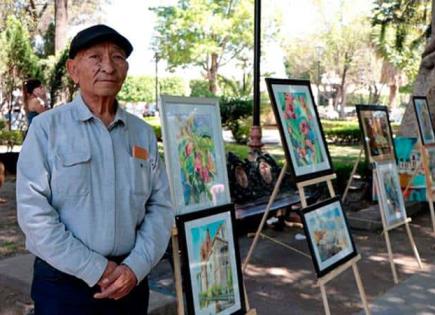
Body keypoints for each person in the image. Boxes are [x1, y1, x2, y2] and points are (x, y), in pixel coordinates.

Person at [16, 24, 174, 314]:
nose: (108, 67)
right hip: (63, 285)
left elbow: (160, 207)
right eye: (95, 57)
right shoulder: (46, 129)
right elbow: (33, 213)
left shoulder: (142, 134)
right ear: (73, 69)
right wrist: (96, 269)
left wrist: (135, 267)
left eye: (117, 57)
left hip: (130, 282)